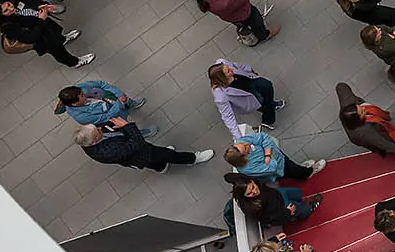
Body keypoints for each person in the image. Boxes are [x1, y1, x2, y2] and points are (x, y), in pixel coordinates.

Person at [0, 0, 91, 66]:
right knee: (59, 52)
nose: (11, 8)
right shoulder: (7, 26)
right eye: (6, 10)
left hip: (45, 25)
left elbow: (27, 5)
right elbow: (30, 38)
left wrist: (41, 6)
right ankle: (75, 63)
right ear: (0, 15)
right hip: (42, 38)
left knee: (57, 36)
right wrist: (41, 19)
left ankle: (63, 39)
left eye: (8, 4)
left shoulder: (13, 0)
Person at [73, 120, 214, 172]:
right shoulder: (107, 152)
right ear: (94, 141)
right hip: (142, 154)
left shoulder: (88, 142)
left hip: (138, 156)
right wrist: (128, 126)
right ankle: (193, 159)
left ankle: (161, 167)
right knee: (169, 155)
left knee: (157, 160)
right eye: (97, 131)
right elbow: (137, 142)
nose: (100, 128)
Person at [336, 81, 395, 158]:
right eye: (362, 111)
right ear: (358, 119)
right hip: (375, 138)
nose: (363, 108)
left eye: (359, 106)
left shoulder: (347, 103)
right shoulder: (365, 133)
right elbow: (383, 143)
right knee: (387, 142)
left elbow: (341, 86)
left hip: (371, 127)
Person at [209, 59, 282, 133]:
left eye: (228, 68)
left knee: (267, 85)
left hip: (250, 80)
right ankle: (268, 120)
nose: (232, 70)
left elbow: (237, 65)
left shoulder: (222, 62)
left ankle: (271, 105)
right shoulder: (220, 96)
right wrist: (239, 137)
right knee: (262, 103)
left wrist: (250, 70)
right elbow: (228, 117)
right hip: (246, 97)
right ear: (223, 78)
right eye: (228, 71)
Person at [192, 0, 274, 44]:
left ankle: (245, 30)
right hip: (245, 14)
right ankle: (264, 36)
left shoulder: (207, 1)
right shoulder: (224, 3)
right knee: (257, 23)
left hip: (234, 16)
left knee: (244, 24)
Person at [222, 128, 323, 182]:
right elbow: (272, 168)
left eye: (243, 144)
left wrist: (267, 155)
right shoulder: (249, 168)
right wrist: (267, 149)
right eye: (245, 148)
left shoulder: (241, 142)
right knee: (294, 171)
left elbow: (263, 137)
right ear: (243, 157)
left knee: (291, 164)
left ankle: (300, 169)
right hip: (280, 168)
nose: (246, 143)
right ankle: (309, 172)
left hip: (278, 155)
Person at [227, 174, 321, 225]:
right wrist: (287, 212)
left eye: (253, 187)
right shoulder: (253, 208)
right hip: (282, 208)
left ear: (251, 181)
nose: (254, 191)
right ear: (244, 196)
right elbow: (269, 218)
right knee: (301, 209)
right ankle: (309, 208)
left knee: (297, 193)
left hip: (278, 193)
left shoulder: (252, 182)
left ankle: (299, 207)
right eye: (249, 193)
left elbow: (228, 176)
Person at [54, 80, 145, 127]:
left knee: (125, 102)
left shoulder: (78, 89)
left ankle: (130, 104)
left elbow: (101, 84)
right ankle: (139, 133)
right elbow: (107, 117)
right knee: (124, 124)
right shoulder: (82, 117)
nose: (84, 93)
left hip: (109, 99)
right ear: (75, 103)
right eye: (82, 95)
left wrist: (119, 94)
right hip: (113, 114)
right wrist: (119, 103)